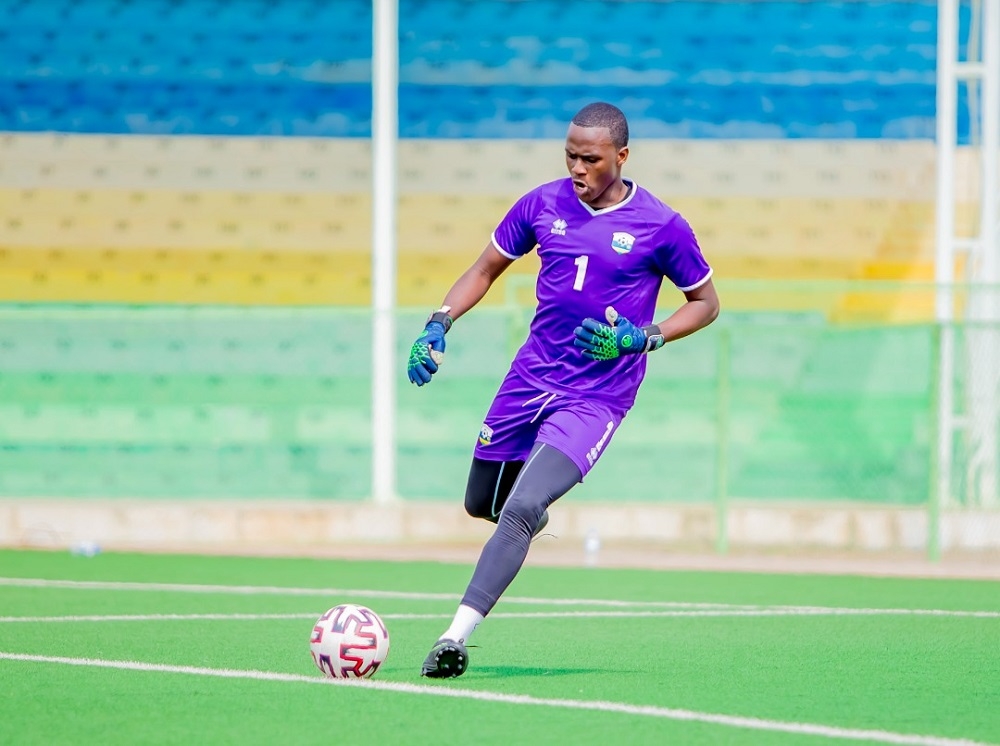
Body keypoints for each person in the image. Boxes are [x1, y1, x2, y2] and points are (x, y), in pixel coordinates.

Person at [406, 102, 720, 678]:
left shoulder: (661, 225)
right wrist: (438, 322)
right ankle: (527, 517)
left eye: (590, 159)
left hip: (597, 396)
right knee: (482, 503)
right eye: (571, 156)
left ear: (622, 157)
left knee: (522, 506)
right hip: (529, 379)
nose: (577, 168)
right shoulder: (540, 204)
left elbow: (705, 303)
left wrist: (645, 337)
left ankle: (453, 637)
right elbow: (484, 269)